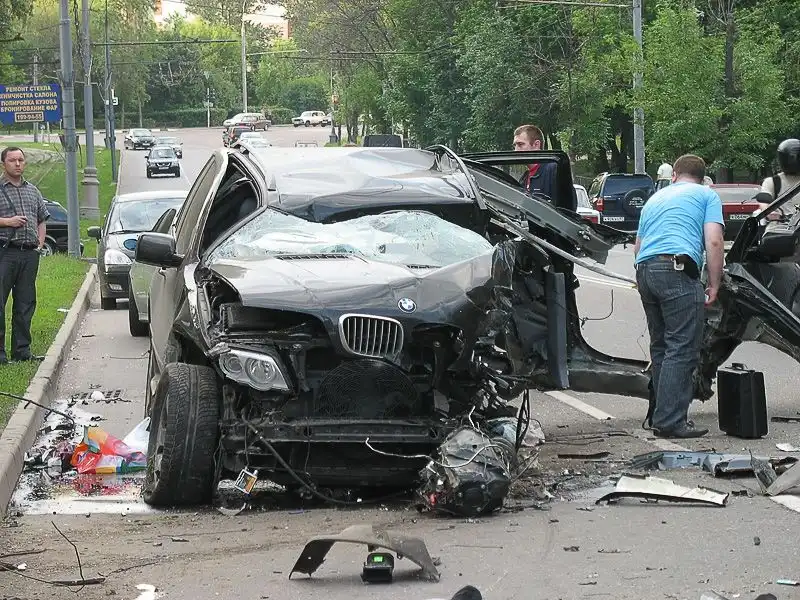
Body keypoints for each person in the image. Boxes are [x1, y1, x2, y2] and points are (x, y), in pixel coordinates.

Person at [634, 154, 725, 439]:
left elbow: (638, 245)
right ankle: (671, 421)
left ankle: (661, 415)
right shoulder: (706, 195)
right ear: (702, 177)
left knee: (661, 346)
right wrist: (714, 283)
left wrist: (645, 277)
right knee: (682, 347)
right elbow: (714, 240)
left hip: (645, 269)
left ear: (673, 175)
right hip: (677, 269)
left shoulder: (655, 199)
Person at [0, 146, 49, 364]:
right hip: (5, 252)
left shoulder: (33, 190)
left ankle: (22, 351)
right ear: (3, 164)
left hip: (29, 254)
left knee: (25, 303)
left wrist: (39, 245)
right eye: (12, 160)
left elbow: (41, 219)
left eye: (21, 160)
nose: (18, 164)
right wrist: (7, 222)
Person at [512, 124, 557, 202]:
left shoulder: (553, 170)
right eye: (515, 146)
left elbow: (566, 206)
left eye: (520, 144)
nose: (516, 150)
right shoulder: (524, 178)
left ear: (536, 145)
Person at [757, 138, 800, 213]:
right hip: (780, 219)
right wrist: (768, 212)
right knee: (757, 214)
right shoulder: (773, 182)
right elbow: (764, 202)